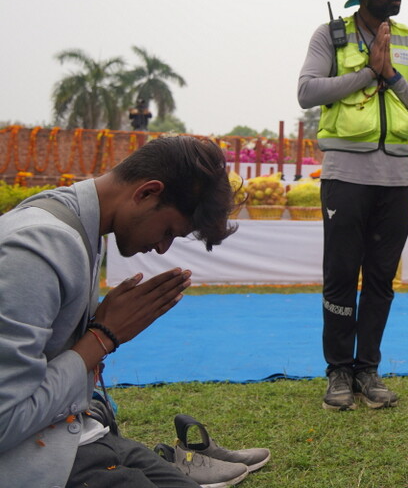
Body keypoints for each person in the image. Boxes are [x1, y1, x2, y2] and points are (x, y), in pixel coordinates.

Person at [0, 136, 240, 487]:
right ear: (146, 193)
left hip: (76, 431)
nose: (161, 248)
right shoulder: (38, 247)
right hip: (30, 454)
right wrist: (101, 337)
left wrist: (96, 330)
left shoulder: (78, 224)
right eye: (169, 232)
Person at [297, 0, 408, 411]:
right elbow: (307, 91)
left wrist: (391, 76)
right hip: (346, 173)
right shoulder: (331, 35)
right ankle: (339, 371)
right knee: (340, 275)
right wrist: (364, 74)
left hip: (397, 175)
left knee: (381, 277)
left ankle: (368, 369)